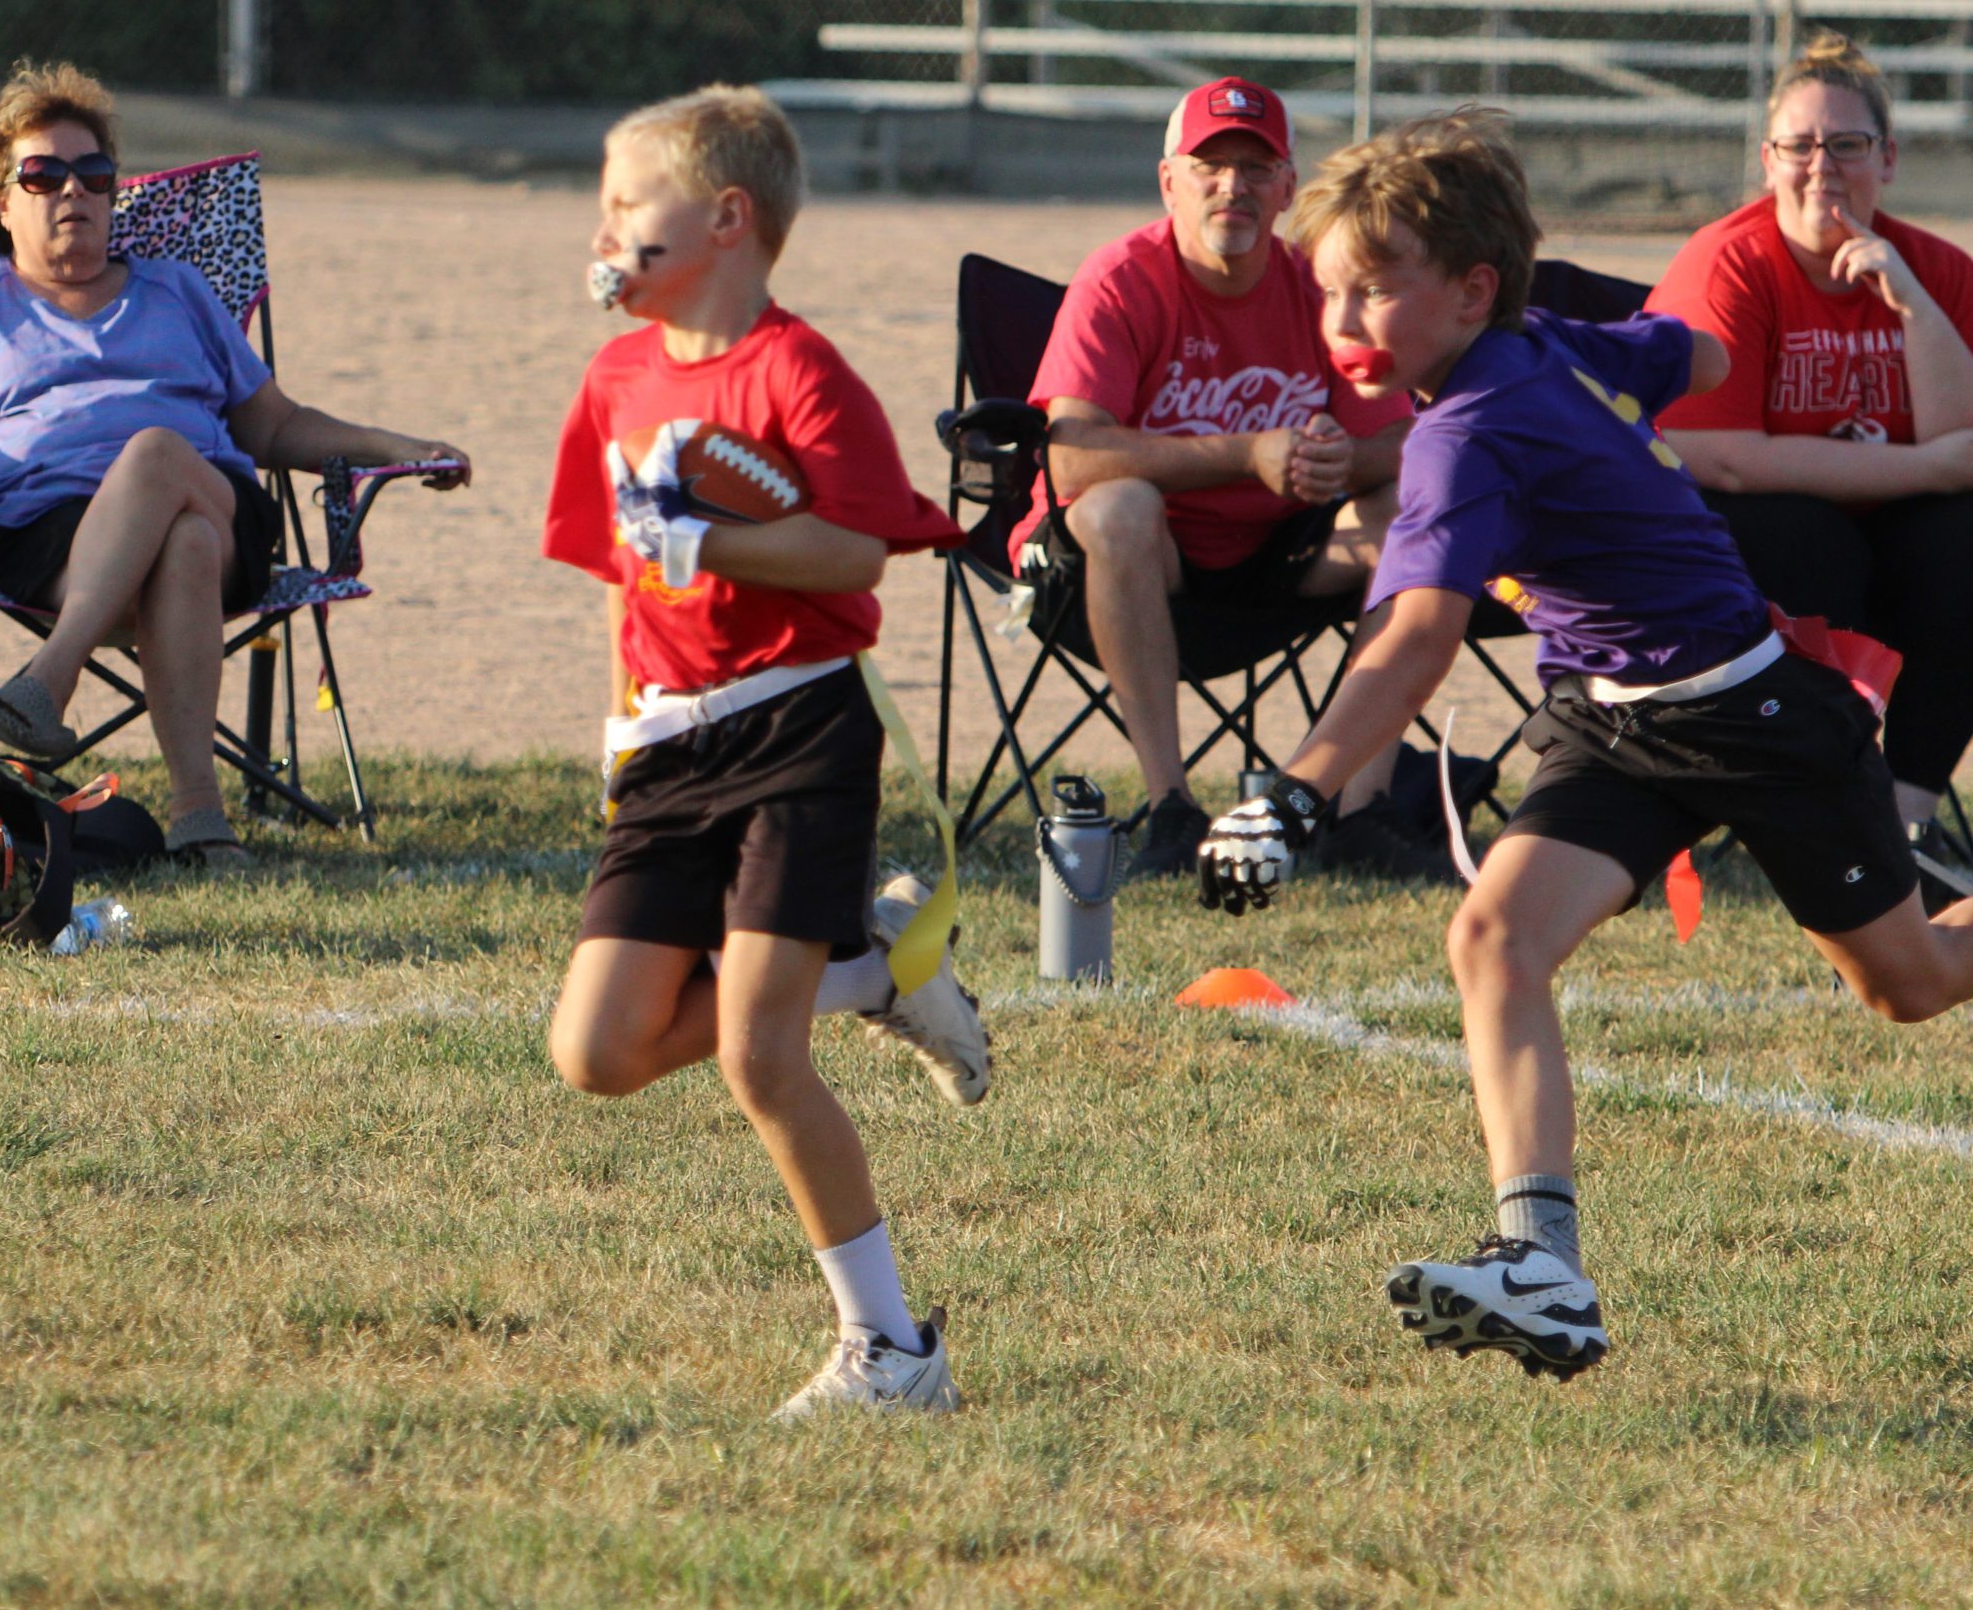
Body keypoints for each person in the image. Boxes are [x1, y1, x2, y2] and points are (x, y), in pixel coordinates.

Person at [1193, 107, 1973, 1382]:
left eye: (1373, 290)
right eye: (1328, 291)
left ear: (1472, 291)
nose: (1339, 321)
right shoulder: (1543, 344)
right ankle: (1541, 1268)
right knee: (1492, 938)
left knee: (1911, 986)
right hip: (1611, 718)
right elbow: (1696, 351)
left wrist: (1293, 794)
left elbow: (1413, 640)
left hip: (1750, 715)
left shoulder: (1462, 434)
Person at [542, 86, 987, 1418]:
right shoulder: (615, 377)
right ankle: (874, 968)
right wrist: (620, 721)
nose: (606, 229)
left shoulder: (801, 371)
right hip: (668, 744)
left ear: (727, 219)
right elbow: (616, 574)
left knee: (758, 1057)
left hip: (798, 726)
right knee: (598, 1052)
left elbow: (854, 553)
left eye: (631, 202)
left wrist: (716, 541)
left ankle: (892, 1349)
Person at [0, 62, 467, 870]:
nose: (74, 190)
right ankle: (200, 817)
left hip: (223, 507)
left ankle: (48, 679)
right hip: (41, 537)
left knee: (162, 455)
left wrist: (397, 446)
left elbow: (275, 426)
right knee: (183, 539)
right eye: (43, 175)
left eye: (93, 174)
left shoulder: (178, 289)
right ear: (2, 202)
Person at [1019, 76, 1447, 884]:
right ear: (1169, 182)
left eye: (1256, 168)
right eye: (1210, 166)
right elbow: (1069, 458)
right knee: (1117, 508)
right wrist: (1247, 453)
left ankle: (1359, 810)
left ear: (1288, 188)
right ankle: (1172, 807)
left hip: (1278, 551)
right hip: (1135, 568)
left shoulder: (1320, 284)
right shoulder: (1119, 280)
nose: (1232, 187)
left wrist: (1344, 463)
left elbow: (1407, 438)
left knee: (1413, 507)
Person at [1647, 33, 1973, 898]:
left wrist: (1911, 304)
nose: (1821, 166)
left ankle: (1904, 820)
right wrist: (1926, 471)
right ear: (1769, 161)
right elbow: (1719, 456)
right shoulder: (1730, 262)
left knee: (1965, 541)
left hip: (1888, 542)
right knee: (1807, 536)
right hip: (1747, 546)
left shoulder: (1935, 269)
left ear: (1888, 159)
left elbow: (1965, 447)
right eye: (1799, 145)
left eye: (1847, 144)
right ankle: (1826, 806)